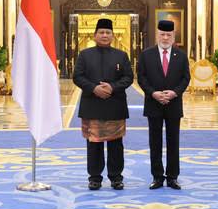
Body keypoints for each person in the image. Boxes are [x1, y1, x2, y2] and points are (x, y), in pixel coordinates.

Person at [73, 18, 133, 190]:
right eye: (101, 32)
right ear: (95, 35)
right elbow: (77, 77)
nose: (105, 35)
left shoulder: (121, 55)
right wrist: (94, 88)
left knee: (116, 145)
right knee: (94, 144)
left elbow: (128, 77)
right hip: (92, 104)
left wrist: (112, 87)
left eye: (108, 32)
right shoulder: (85, 55)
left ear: (113, 36)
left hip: (115, 105)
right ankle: (95, 178)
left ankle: (116, 177)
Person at [137, 20, 190, 190]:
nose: (165, 38)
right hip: (153, 104)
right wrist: (153, 93)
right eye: (162, 34)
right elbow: (141, 77)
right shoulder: (146, 55)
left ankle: (172, 177)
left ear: (173, 36)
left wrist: (174, 93)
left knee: (173, 142)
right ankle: (157, 177)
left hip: (174, 105)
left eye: (169, 35)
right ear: (157, 35)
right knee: (155, 142)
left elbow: (185, 78)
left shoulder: (181, 55)